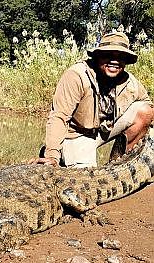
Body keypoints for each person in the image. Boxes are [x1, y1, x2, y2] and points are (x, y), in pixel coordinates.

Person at [32, 31, 153, 168]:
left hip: (104, 130)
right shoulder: (77, 75)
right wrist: (52, 155)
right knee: (87, 179)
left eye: (121, 57)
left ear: (126, 61)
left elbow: (149, 110)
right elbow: (59, 117)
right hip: (76, 135)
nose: (114, 61)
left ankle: (119, 166)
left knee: (145, 111)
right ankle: (57, 154)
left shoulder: (129, 81)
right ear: (97, 56)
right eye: (108, 55)